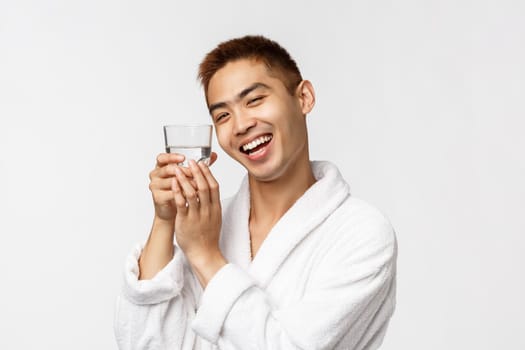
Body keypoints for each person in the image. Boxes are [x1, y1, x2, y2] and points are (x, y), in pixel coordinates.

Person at [114, 35, 397, 350]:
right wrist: (165, 220)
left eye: (254, 100)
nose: (240, 125)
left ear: (304, 97)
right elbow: (144, 344)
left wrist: (206, 256)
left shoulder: (361, 233)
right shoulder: (208, 224)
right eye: (222, 115)